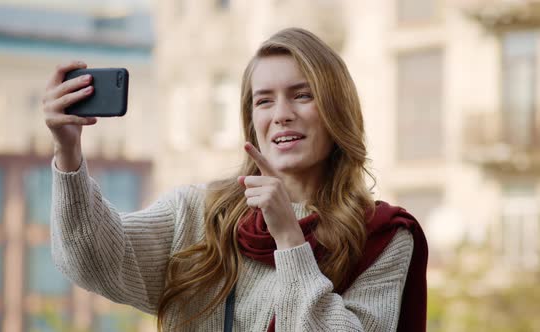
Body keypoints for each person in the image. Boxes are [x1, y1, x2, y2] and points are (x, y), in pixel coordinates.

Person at [44, 28, 428, 331]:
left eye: (302, 95)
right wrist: (68, 153)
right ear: (251, 121)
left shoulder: (383, 236)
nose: (281, 114)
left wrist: (289, 240)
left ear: (335, 110)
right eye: (264, 100)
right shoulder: (197, 212)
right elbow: (92, 259)